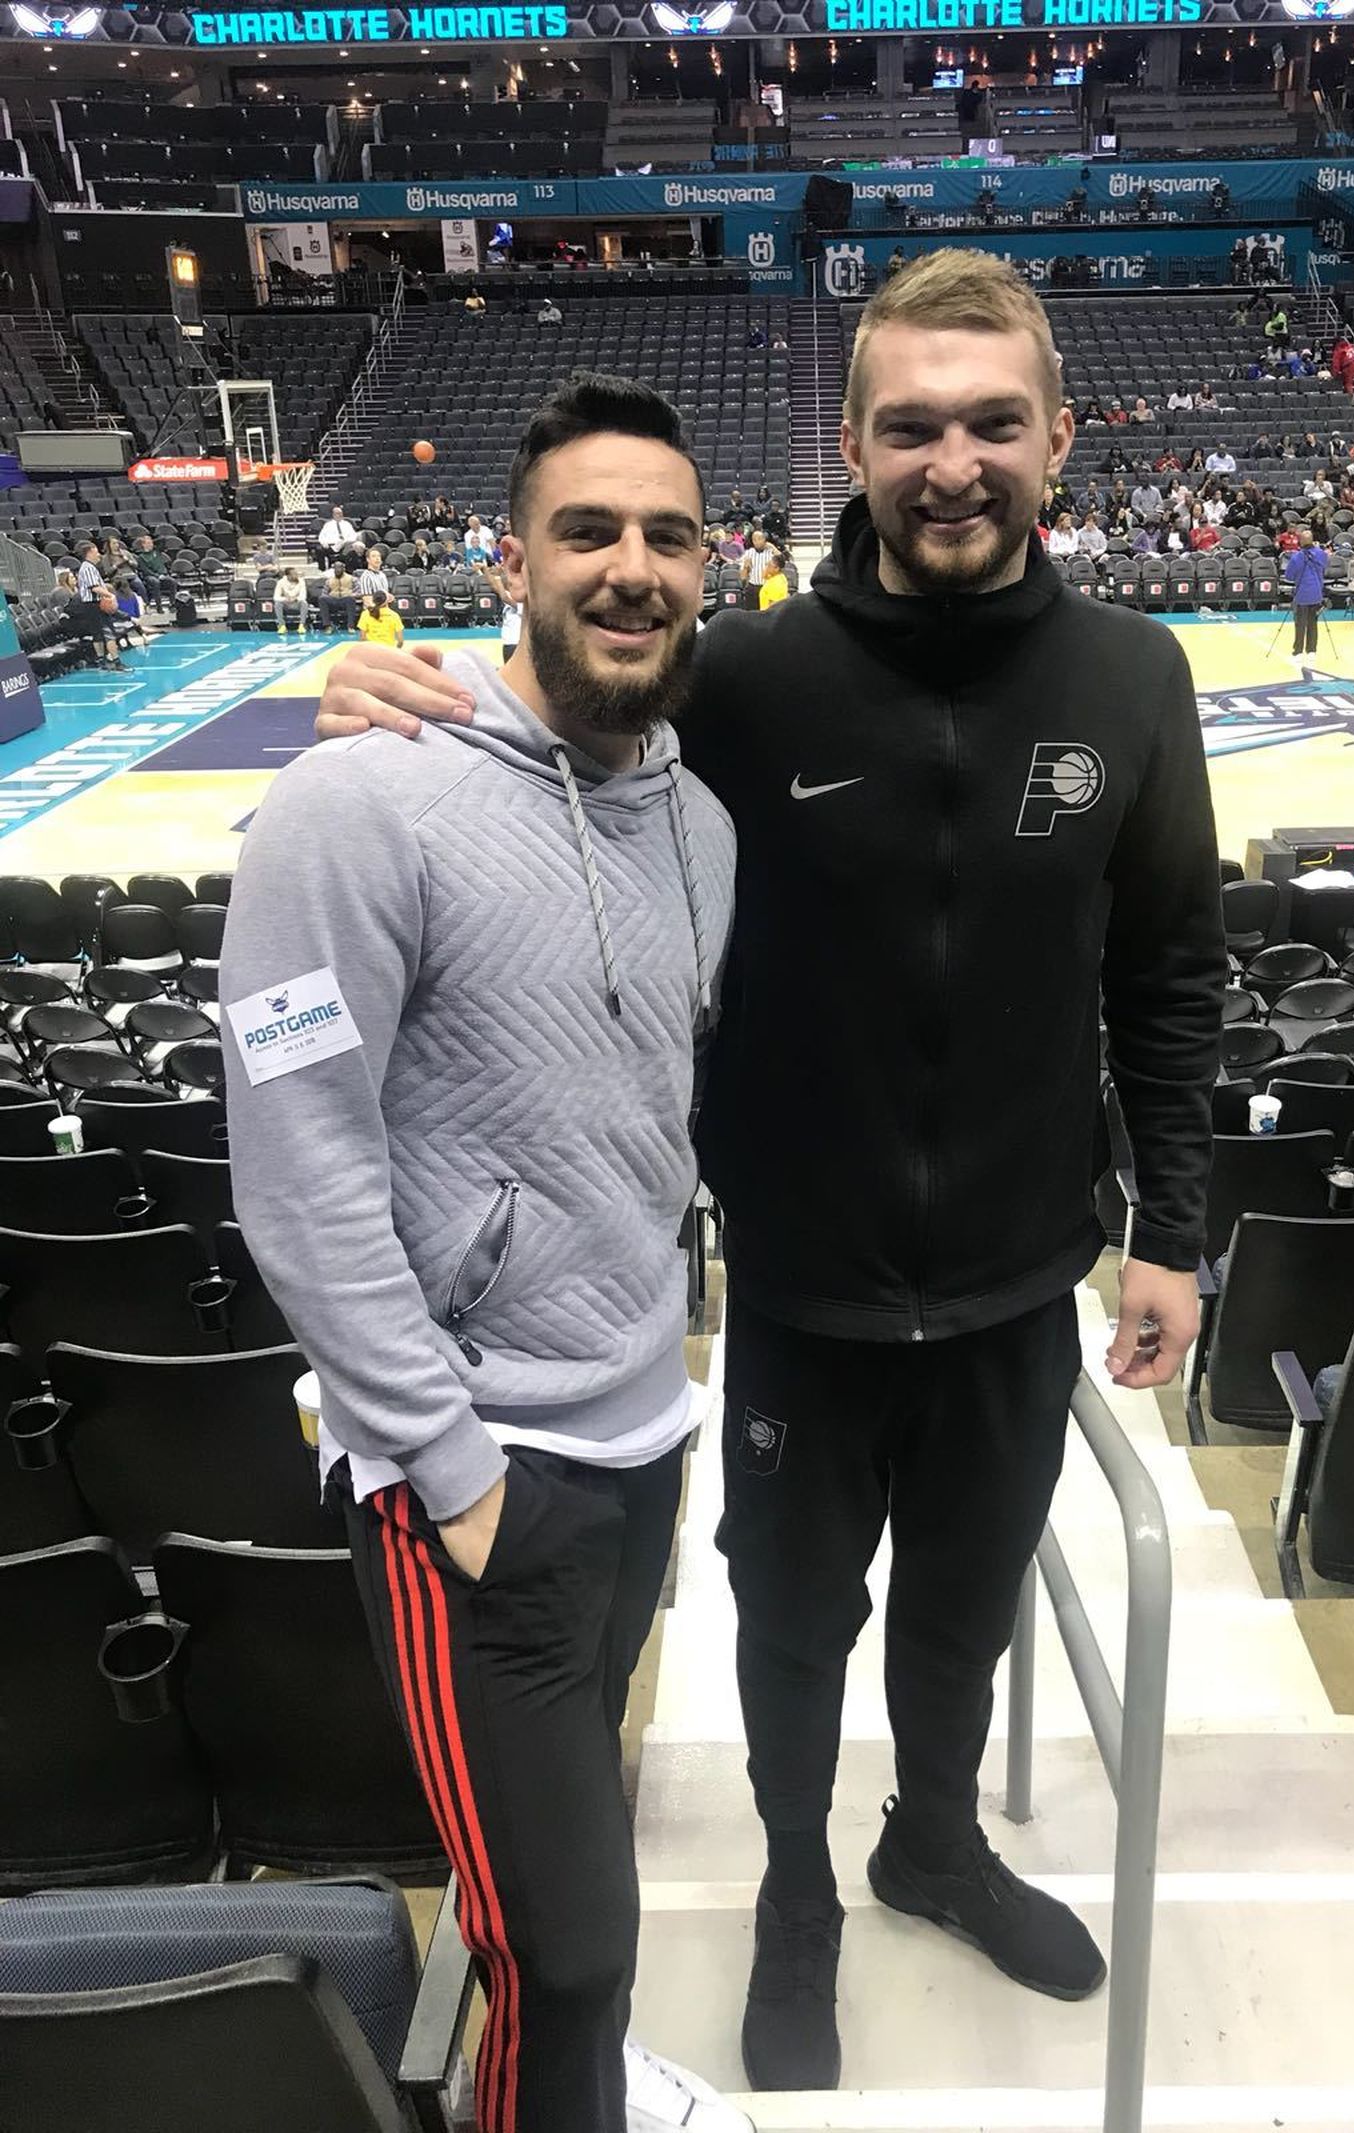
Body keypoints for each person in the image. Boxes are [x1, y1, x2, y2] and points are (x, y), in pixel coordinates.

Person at [309, 249, 1226, 2097]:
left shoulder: (1136, 675)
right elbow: (551, 722)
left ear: (1059, 435)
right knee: (797, 1631)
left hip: (1016, 1281)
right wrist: (386, 691)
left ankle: (935, 1840)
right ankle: (801, 1886)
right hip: (799, 1291)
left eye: (989, 423)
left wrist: (1175, 1233)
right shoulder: (745, 679)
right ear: (855, 447)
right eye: (910, 425)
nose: (951, 460)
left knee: (962, 1618)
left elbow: (1172, 966)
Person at [221, 373, 744, 2133]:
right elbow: (298, 1170)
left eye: (667, 534)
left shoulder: (703, 824)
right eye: (587, 530)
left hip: (637, 1433)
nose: (630, 565)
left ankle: (570, 2076)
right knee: (569, 1940)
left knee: (553, 1887)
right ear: (511, 558)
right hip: (480, 1465)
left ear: (709, 568)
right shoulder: (356, 804)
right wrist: (446, 1463)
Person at [1282, 526, 1329, 658]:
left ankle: (1298, 651)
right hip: (1317, 593)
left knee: (1300, 623)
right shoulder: (1321, 554)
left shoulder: (1296, 557)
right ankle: (1312, 650)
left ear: (1301, 542)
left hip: (1302, 594)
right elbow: (1325, 567)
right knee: (1313, 623)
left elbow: (1289, 576)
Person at [738, 526, 780, 609]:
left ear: (765, 540)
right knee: (753, 613)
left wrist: (773, 547)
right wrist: (746, 568)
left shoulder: (771, 552)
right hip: (753, 587)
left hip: (768, 586)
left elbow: (782, 562)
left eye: (760, 539)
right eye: (754, 539)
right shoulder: (748, 553)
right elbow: (743, 577)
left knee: (768, 612)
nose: (757, 542)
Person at [320, 559, 360, 631]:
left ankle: (350, 626)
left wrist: (351, 594)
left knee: (350, 599)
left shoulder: (352, 579)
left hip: (346, 600)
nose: (337, 570)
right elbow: (324, 593)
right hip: (333, 600)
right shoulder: (329, 581)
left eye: (339, 568)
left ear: (343, 569)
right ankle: (327, 626)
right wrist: (330, 595)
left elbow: (359, 592)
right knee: (322, 599)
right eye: (335, 568)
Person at [317, 504, 360, 570]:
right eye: (337, 513)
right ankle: (322, 569)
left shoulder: (347, 524)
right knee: (319, 549)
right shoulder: (328, 525)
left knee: (352, 550)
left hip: (344, 546)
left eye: (341, 513)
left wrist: (346, 541)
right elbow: (321, 536)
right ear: (333, 515)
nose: (339, 515)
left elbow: (354, 536)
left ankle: (349, 570)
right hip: (331, 546)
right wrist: (324, 543)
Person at [274, 565, 310, 635]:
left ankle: (301, 625)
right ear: (288, 576)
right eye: (294, 574)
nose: (296, 575)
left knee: (304, 603)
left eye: (296, 574)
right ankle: (282, 626)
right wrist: (285, 599)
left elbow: (303, 595)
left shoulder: (301, 581)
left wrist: (295, 598)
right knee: (277, 604)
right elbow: (276, 597)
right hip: (286, 603)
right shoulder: (280, 582)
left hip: (296, 603)